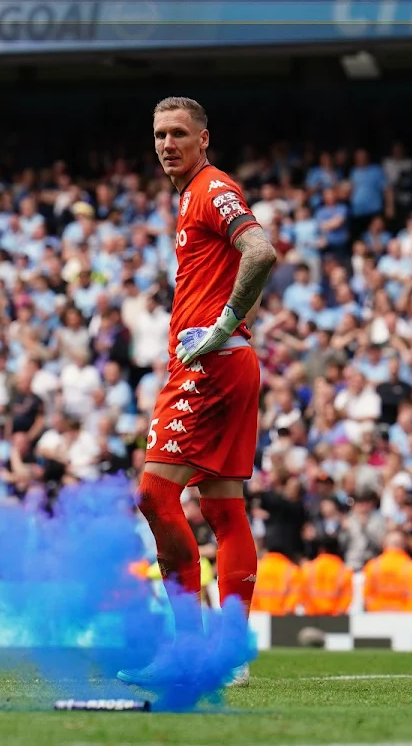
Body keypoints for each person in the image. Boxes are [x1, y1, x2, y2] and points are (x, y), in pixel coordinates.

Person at [118, 97, 277, 690]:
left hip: (209, 365)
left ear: (204, 139)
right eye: (159, 134)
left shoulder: (211, 189)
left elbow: (261, 251)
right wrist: (230, 327)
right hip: (231, 359)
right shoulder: (192, 195)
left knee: (157, 495)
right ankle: (229, 653)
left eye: (178, 133)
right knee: (223, 508)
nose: (166, 144)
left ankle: (189, 648)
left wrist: (221, 324)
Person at [297, 537, 353, 615]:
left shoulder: (307, 569)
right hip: (334, 619)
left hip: (311, 617)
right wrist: (339, 612)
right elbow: (347, 596)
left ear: (321, 550)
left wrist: (308, 607)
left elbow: (300, 593)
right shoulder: (345, 571)